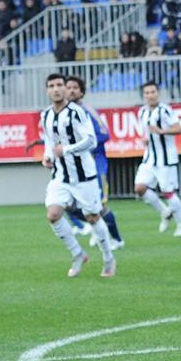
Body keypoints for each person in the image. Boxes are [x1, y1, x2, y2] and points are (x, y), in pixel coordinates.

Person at [39, 73, 116, 278]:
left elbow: (91, 140)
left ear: (65, 88)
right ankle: (78, 254)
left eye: (59, 85)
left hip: (84, 175)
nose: (56, 89)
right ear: (47, 90)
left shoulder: (77, 112)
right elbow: (49, 141)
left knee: (92, 216)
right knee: (53, 215)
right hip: (60, 176)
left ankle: (108, 258)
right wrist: (48, 157)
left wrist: (66, 150)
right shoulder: (46, 115)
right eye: (51, 86)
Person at [66, 75, 124, 249]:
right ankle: (94, 228)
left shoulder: (88, 111)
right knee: (68, 204)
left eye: (75, 88)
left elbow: (104, 134)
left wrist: (84, 145)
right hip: (75, 166)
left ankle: (117, 239)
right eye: (68, 88)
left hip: (95, 162)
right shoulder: (64, 114)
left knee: (99, 205)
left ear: (81, 92)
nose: (71, 91)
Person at [133, 81, 181, 237]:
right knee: (139, 188)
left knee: (167, 192)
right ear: (143, 96)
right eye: (147, 93)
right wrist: (145, 139)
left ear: (158, 93)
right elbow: (146, 132)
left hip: (166, 159)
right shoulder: (142, 112)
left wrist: (161, 131)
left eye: (153, 92)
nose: (150, 95)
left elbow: (179, 129)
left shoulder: (165, 110)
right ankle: (164, 211)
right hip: (149, 158)